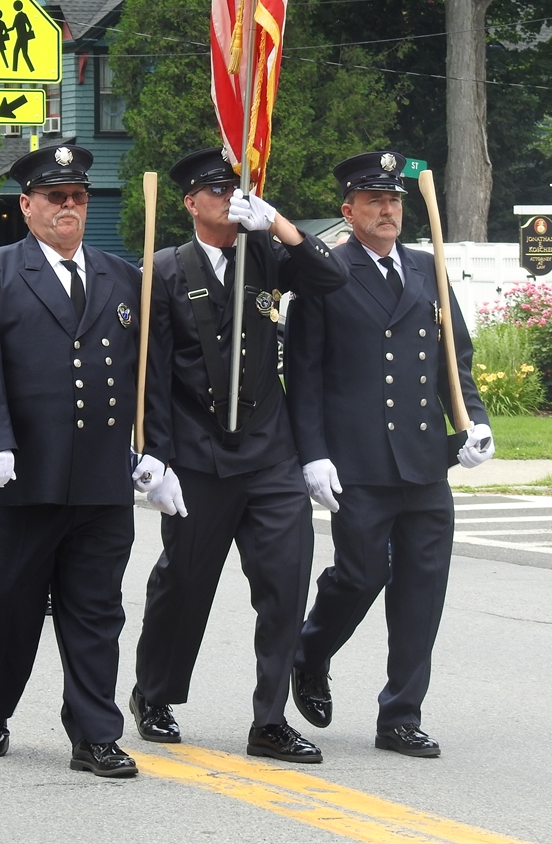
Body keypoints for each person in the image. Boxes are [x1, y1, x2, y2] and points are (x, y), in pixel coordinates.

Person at [129, 148, 347, 764]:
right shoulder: (166, 271)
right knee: (185, 583)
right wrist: (155, 460)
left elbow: (332, 278)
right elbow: (153, 376)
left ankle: (270, 720)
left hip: (270, 454)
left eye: (235, 188)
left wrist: (276, 223)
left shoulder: (266, 255)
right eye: (214, 190)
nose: (228, 198)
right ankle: (155, 693)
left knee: (284, 583)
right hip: (197, 458)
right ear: (190, 202)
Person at [285, 151, 494, 758]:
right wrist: (313, 455)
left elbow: (456, 361)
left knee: (423, 590)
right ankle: (311, 650)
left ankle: (400, 714)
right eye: (373, 201)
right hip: (357, 461)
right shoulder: (325, 272)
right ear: (347, 211)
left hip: (425, 460)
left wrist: (473, 422)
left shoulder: (429, 269)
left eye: (394, 200)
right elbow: (304, 376)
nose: (387, 210)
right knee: (361, 574)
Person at [0, 145, 143, 778]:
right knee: (10, 607)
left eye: (78, 196)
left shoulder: (124, 277)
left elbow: (148, 376)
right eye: (55, 197)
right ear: (26, 206)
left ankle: (94, 734)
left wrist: (153, 451)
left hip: (99, 479)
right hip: (20, 477)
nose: (68, 207)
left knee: (95, 609)